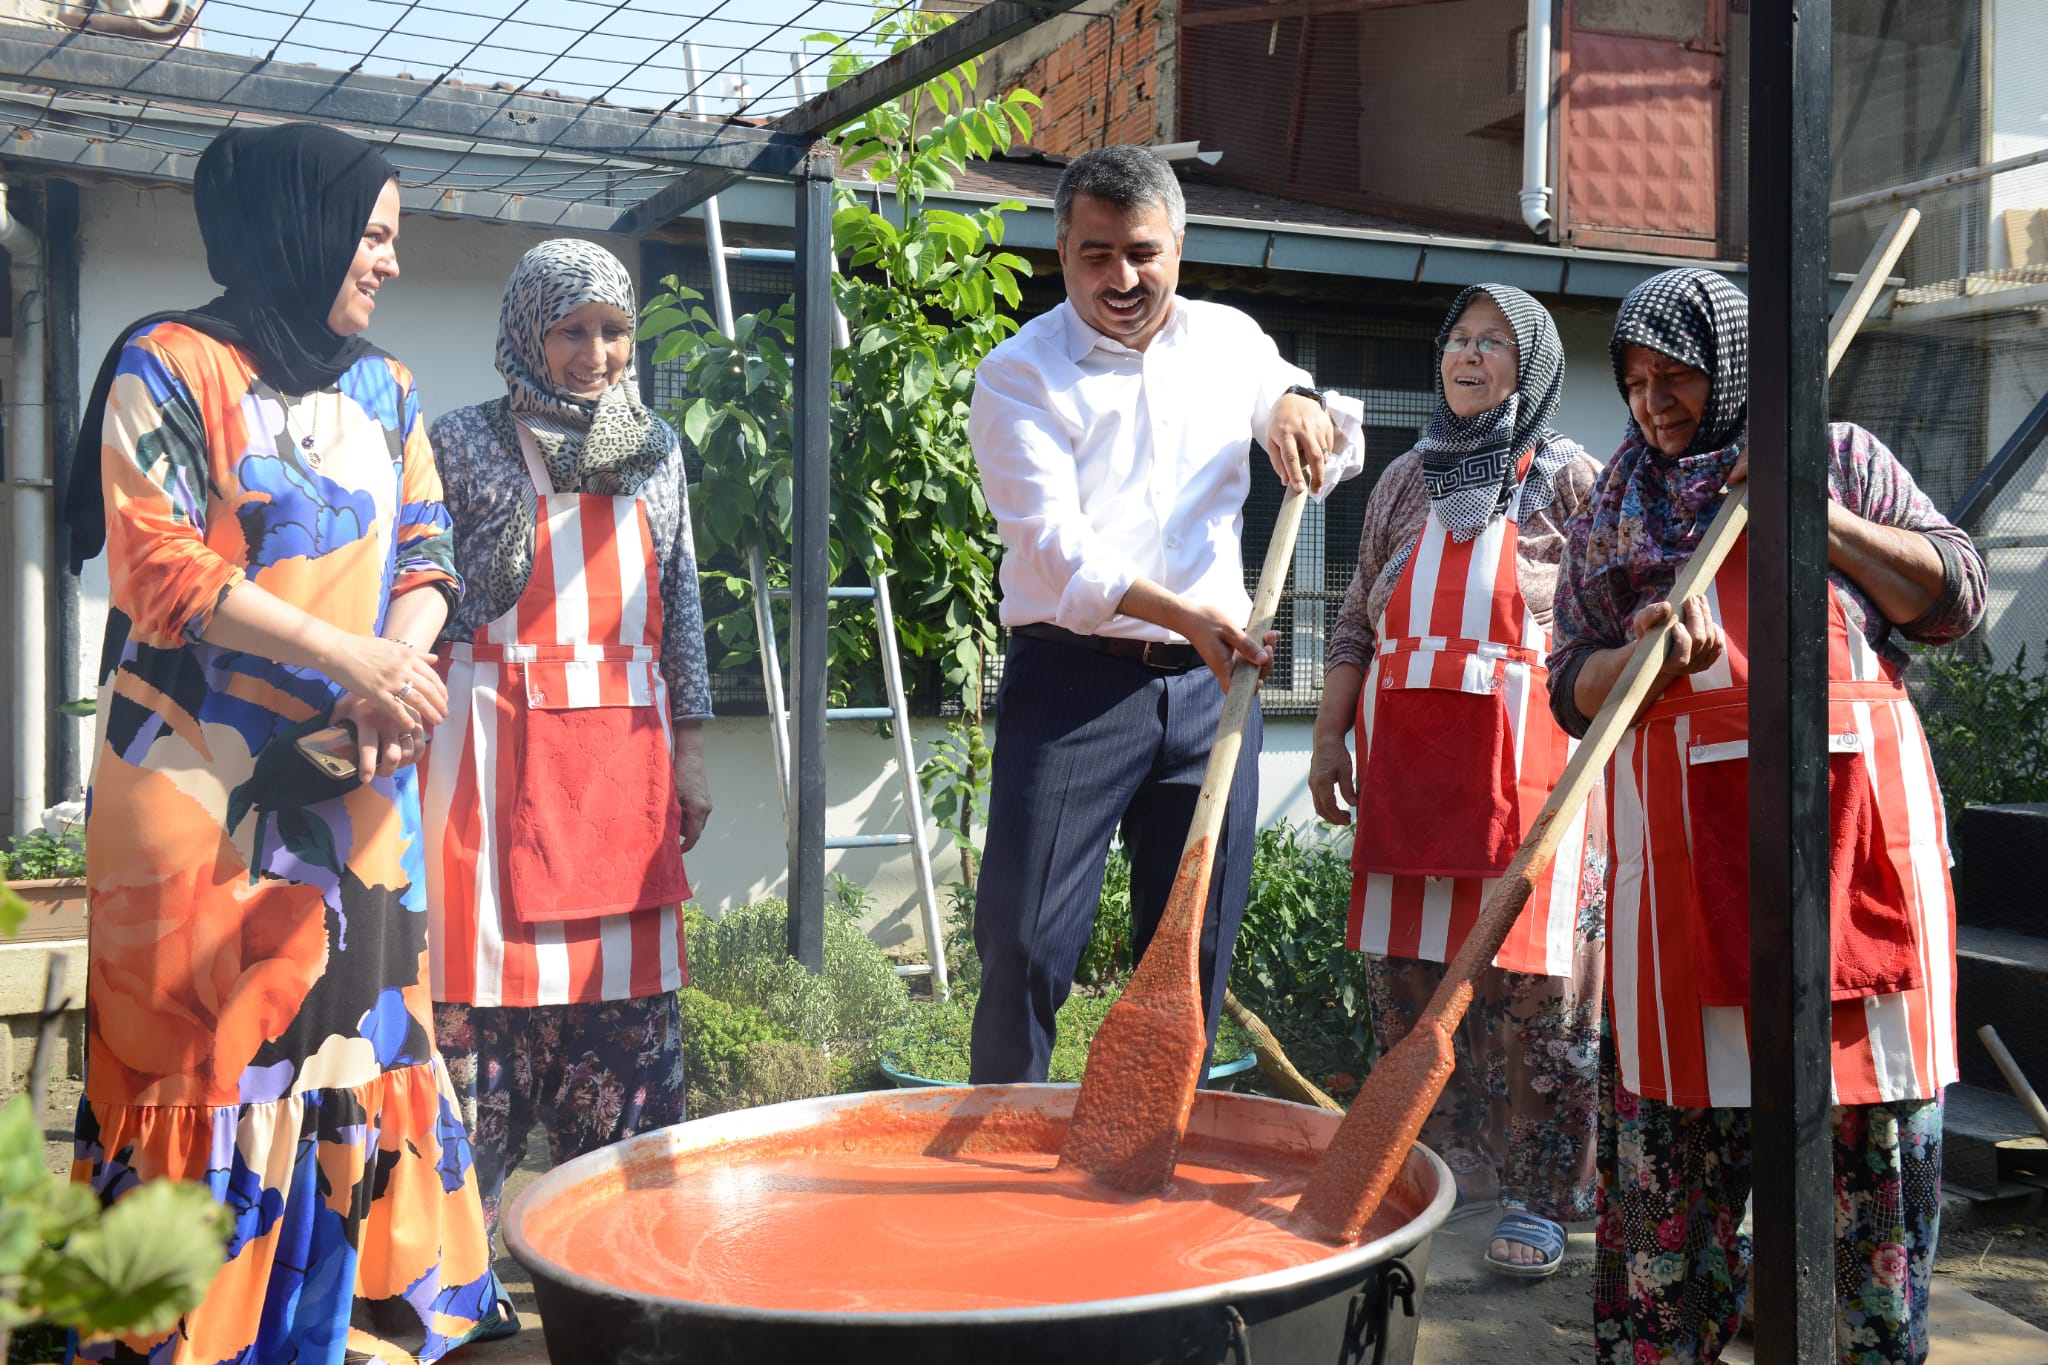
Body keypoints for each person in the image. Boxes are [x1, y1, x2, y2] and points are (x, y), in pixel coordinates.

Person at [66, 123, 506, 1362]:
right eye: (373, 236)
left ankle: (352, 1335)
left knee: (353, 1047)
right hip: (195, 780)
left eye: (393, 241)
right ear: (297, 227)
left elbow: (429, 554)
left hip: (357, 780)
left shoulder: (391, 387)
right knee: (204, 1056)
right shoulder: (168, 361)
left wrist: (392, 672)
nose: (389, 266)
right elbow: (160, 569)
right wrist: (351, 662)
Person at [1547, 267, 1984, 1363]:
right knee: (1670, 1166)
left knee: (1863, 1145)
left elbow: (1953, 598)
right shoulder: (1613, 502)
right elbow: (1564, 681)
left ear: (1733, 367)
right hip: (1680, 871)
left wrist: (1814, 514)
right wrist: (1634, 660)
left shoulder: (1837, 455)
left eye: (1676, 375)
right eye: (1634, 380)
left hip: (1847, 855)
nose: (1653, 403)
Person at [967, 144, 1364, 1084]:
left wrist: (1296, 407)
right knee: (1025, 942)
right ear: (1060, 249)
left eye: (1143, 252)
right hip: (1074, 681)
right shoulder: (1019, 376)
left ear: (1179, 246)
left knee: (1190, 949)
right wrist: (1184, 614)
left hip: (1212, 693)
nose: (1122, 278)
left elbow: (1307, 422)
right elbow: (1053, 548)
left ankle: (1148, 1156)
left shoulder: (1230, 341)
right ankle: (1002, 1163)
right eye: (1096, 254)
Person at [421, 239, 712, 1268]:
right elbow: (419, 598)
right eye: (571, 330)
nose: (596, 353)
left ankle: (618, 1273)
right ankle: (454, 1284)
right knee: (474, 1018)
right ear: (526, 333)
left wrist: (693, 758)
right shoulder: (455, 443)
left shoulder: (660, 450)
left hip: (620, 768)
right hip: (486, 760)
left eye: (613, 330)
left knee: (621, 1021)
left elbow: (678, 611)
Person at [1306, 283, 1605, 1277]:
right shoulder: (1401, 479)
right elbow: (1354, 623)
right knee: (1410, 982)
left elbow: (1612, 624)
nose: (1467, 358)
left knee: (1533, 992)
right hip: (1407, 772)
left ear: (1533, 367)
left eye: (1492, 344)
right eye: (1455, 342)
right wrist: (1326, 742)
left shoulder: (1568, 480)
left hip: (1531, 775)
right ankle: (1442, 1168)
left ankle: (1540, 1195)